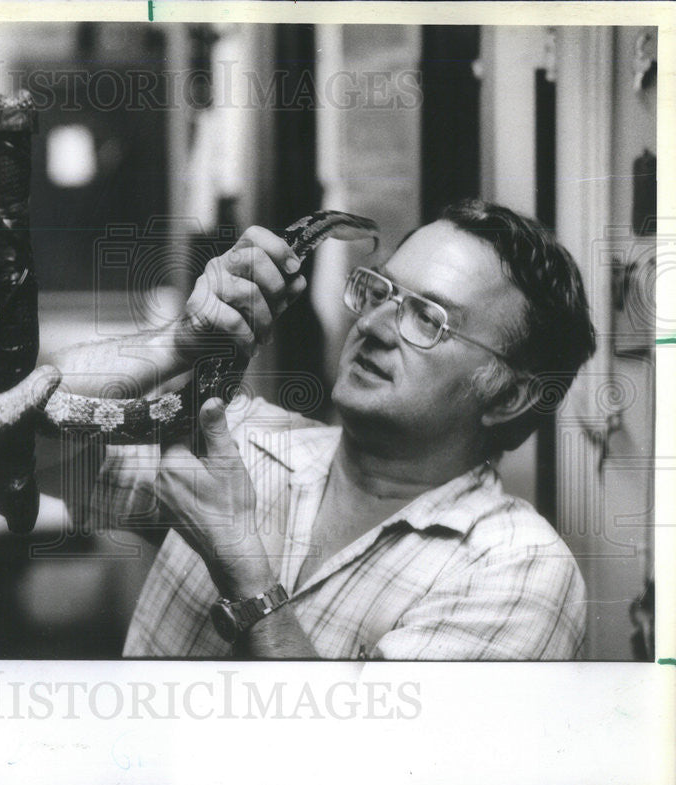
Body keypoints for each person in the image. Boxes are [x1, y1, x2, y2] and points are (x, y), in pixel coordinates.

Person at [50, 199, 596, 659]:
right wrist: (179, 341)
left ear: (509, 394)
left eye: (428, 318)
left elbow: (372, 775)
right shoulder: (238, 438)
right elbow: (21, 432)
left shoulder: (519, 572)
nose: (375, 325)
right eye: (380, 292)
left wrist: (244, 572)